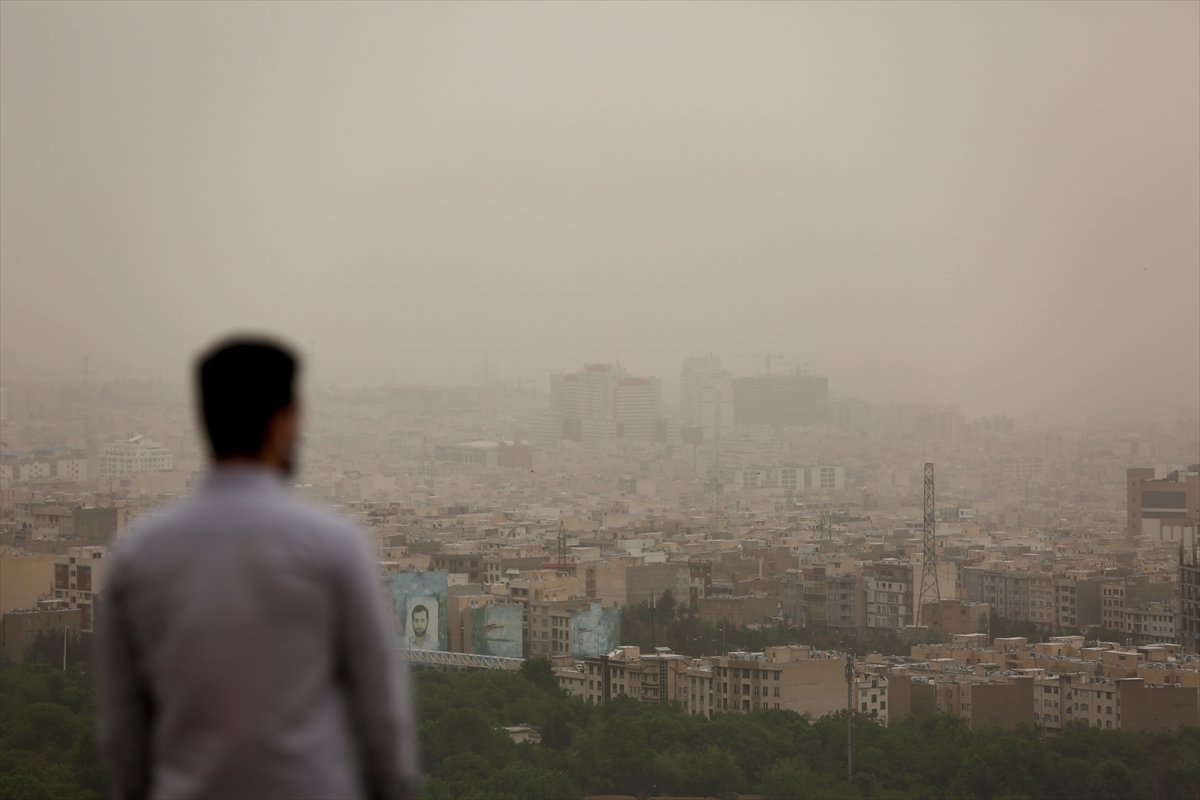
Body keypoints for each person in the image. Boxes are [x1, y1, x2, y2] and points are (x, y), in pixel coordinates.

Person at [98, 337, 420, 800]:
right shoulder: (333, 545)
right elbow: (381, 709)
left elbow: (122, 730)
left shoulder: (138, 553)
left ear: (205, 418)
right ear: (283, 420)